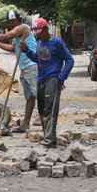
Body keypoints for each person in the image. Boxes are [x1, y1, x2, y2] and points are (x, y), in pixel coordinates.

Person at [0, 10, 38, 132]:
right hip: (25, 67)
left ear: (14, 21)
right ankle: (25, 124)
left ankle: (44, 119)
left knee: (36, 94)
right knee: (30, 97)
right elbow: (12, 48)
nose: (8, 25)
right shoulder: (18, 35)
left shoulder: (22, 28)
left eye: (9, 22)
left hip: (32, 66)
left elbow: (5, 37)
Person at [19, 18, 74, 147]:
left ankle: (50, 139)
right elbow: (39, 59)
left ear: (46, 29)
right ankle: (47, 136)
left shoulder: (57, 42)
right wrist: (26, 50)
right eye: (36, 33)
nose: (38, 35)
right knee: (42, 110)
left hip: (53, 79)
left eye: (39, 32)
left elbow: (70, 60)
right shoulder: (39, 42)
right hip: (41, 79)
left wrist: (61, 78)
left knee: (50, 110)